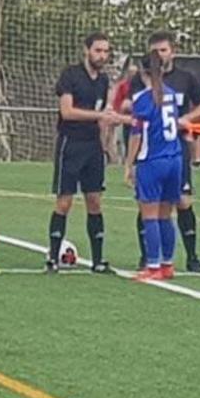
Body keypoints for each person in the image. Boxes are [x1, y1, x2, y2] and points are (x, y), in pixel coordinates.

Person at [129, 32, 200, 272]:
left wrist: (183, 118)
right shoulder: (154, 89)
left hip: (162, 154)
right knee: (159, 210)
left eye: (163, 50)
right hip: (166, 151)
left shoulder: (184, 79)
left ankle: (177, 259)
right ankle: (157, 260)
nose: (160, 55)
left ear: (172, 51)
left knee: (166, 207)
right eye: (156, 51)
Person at [47, 32, 119, 273]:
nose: (102, 55)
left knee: (95, 201)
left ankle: (98, 261)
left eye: (106, 51)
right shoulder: (71, 75)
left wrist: (107, 143)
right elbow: (67, 111)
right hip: (71, 144)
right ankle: (52, 257)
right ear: (86, 50)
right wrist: (99, 115)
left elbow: (103, 117)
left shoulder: (103, 81)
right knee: (65, 201)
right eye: (98, 50)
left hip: (92, 147)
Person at [124, 52, 182, 281]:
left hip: (152, 161)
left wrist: (129, 164)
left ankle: (153, 265)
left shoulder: (143, 98)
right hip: (174, 159)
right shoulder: (171, 95)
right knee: (166, 215)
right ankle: (167, 264)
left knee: (150, 216)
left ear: (142, 71)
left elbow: (137, 134)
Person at [109, 64, 138, 161]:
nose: (132, 75)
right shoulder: (123, 86)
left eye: (134, 73)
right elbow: (118, 102)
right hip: (127, 119)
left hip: (140, 118)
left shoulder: (141, 86)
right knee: (126, 140)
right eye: (130, 73)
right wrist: (118, 115)